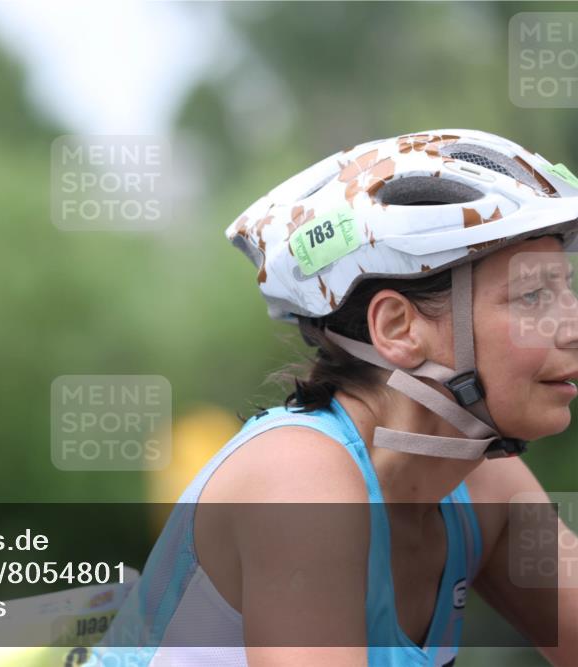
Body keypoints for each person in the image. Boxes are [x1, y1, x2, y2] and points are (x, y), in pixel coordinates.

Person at [94, 129, 578, 666]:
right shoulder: (298, 481)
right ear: (397, 328)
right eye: (532, 296)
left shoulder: (483, 487)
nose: (572, 325)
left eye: (567, 289)